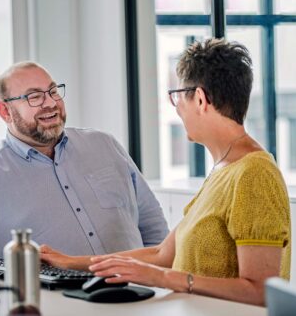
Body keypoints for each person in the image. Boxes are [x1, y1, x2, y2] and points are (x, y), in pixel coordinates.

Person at [40, 39, 291, 306]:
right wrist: (70, 263)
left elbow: (261, 291)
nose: (178, 107)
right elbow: (162, 254)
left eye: (177, 96)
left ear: (201, 99)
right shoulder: (224, 169)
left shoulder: (254, 173)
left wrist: (164, 278)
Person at [0, 61, 169, 256]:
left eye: (53, 91)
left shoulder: (104, 145)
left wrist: (157, 283)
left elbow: (152, 224)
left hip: (137, 297)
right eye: (34, 97)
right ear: (5, 111)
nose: (50, 103)